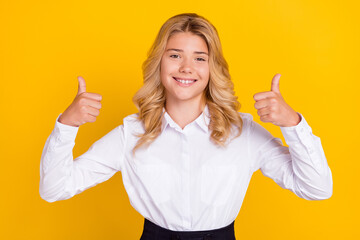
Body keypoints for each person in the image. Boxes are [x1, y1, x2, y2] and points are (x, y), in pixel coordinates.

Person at [39, 13, 333, 240]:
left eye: (199, 58)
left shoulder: (242, 133)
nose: (186, 67)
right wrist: (67, 125)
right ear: (160, 63)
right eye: (175, 55)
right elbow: (54, 189)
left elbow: (317, 189)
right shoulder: (131, 134)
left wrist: (292, 124)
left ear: (211, 69)